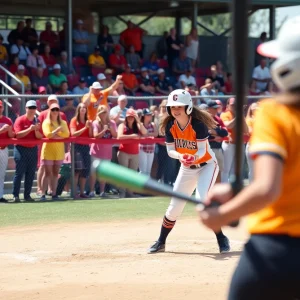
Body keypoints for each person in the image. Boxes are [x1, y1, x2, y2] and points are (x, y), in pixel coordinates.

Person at [199, 16, 300, 300]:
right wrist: (235, 188)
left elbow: (268, 188)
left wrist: (223, 215)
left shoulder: (275, 113)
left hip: (276, 255)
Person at [148, 89, 230, 254]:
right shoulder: (171, 125)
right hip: (187, 168)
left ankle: (221, 238)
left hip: (207, 165)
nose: (176, 110)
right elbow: (171, 150)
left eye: (180, 106)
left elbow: (201, 151)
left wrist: (191, 157)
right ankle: (161, 241)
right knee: (174, 208)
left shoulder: (197, 125)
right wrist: (181, 156)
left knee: (202, 201)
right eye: (173, 107)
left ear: (188, 107)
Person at [12, 100, 43, 203]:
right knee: (19, 173)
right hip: (21, 149)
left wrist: (36, 130)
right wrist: (30, 129)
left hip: (33, 149)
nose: (32, 110)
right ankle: (15, 195)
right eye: (30, 108)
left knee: (30, 174)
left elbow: (39, 137)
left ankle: (27, 195)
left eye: (33, 108)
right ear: (26, 108)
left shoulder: (37, 120)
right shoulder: (20, 120)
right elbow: (18, 135)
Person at [40, 103, 70, 201]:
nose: (55, 112)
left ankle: (54, 193)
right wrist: (57, 131)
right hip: (48, 150)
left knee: (55, 173)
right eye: (53, 110)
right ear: (50, 111)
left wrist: (55, 135)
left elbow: (67, 134)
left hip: (59, 151)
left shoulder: (63, 122)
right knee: (47, 173)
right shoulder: (46, 122)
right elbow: (48, 134)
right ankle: (43, 194)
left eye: (57, 109)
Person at [89, 105, 117, 197]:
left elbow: (115, 135)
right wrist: (104, 130)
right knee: (94, 172)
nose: (104, 114)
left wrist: (110, 128)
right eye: (102, 113)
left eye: (106, 112)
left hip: (107, 152)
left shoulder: (112, 123)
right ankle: (91, 191)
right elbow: (96, 135)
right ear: (99, 114)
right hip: (96, 151)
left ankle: (102, 191)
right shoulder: (96, 123)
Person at [70, 103, 93, 198]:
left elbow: (91, 135)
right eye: (81, 108)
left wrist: (90, 127)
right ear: (78, 110)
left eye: (85, 107)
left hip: (86, 147)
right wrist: (85, 128)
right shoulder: (74, 120)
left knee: (85, 171)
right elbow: (73, 134)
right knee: (77, 171)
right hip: (76, 147)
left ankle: (82, 192)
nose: (83, 109)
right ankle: (74, 192)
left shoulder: (88, 121)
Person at [0, 100, 15, 203]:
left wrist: (9, 130)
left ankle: (0, 196)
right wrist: (1, 130)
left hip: (4, 149)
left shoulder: (7, 120)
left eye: (0, 107)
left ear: (3, 108)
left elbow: (11, 136)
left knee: (1, 174)